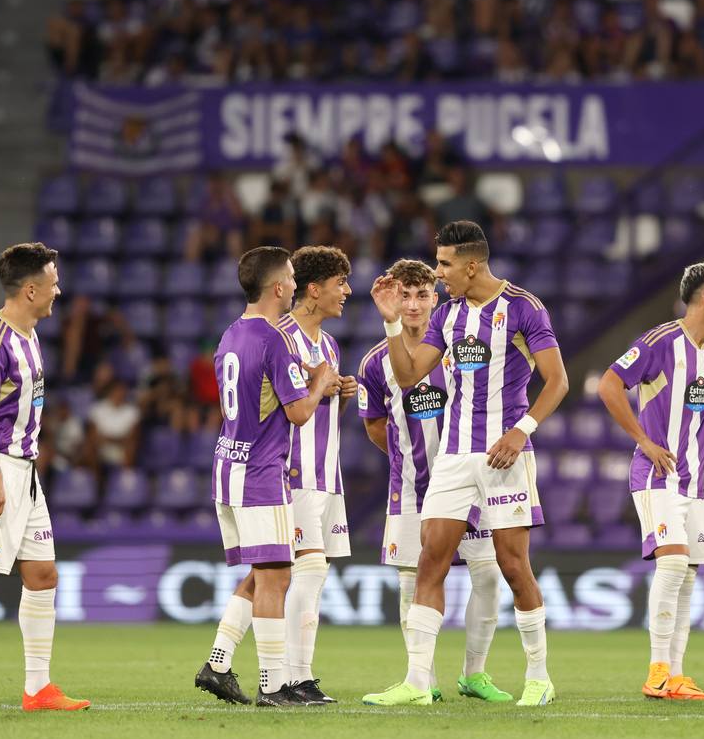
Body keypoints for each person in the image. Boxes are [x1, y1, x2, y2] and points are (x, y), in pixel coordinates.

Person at [362, 221, 569, 707]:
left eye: (445, 265)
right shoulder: (449, 314)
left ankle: (539, 676)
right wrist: (392, 322)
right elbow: (411, 372)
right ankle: (417, 681)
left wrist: (522, 431)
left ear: (472, 265)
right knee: (430, 561)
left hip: (504, 455)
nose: (439, 274)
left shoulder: (523, 308)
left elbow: (557, 381)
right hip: (453, 458)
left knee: (513, 565)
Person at [0, 243, 90, 713]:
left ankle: (38, 689)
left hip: (23, 470)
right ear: (31, 289)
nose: (58, 289)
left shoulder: (28, 334)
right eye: (52, 282)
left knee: (43, 575)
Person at [359, 258, 510, 703]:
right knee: (413, 579)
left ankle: (475, 674)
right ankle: (421, 678)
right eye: (403, 295)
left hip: (472, 482)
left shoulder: (457, 348)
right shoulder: (375, 363)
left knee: (486, 575)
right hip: (411, 489)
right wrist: (410, 459)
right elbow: (373, 424)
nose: (412, 304)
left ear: (436, 297)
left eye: (422, 294)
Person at [598, 263, 704, 701]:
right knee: (673, 564)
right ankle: (657, 671)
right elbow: (609, 385)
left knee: (688, 577)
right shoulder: (660, 341)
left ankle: (677, 676)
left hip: (697, 484)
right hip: (658, 475)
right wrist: (642, 440)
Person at [194, 246, 337, 708]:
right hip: (261, 471)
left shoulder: (231, 335)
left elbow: (251, 397)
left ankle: (218, 663)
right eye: (292, 278)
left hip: (228, 466)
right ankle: (274, 683)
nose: (295, 284)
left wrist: (305, 375)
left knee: (262, 574)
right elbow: (297, 413)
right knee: (276, 577)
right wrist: (319, 382)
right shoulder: (276, 339)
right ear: (278, 287)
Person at [268, 246, 356, 704]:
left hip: (327, 470)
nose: (348, 291)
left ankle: (293, 674)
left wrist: (341, 394)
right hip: (293, 467)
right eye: (340, 283)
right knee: (306, 570)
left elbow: (322, 408)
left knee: (309, 573)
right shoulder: (281, 337)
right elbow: (280, 407)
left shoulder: (329, 344)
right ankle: (289, 675)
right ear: (314, 289)